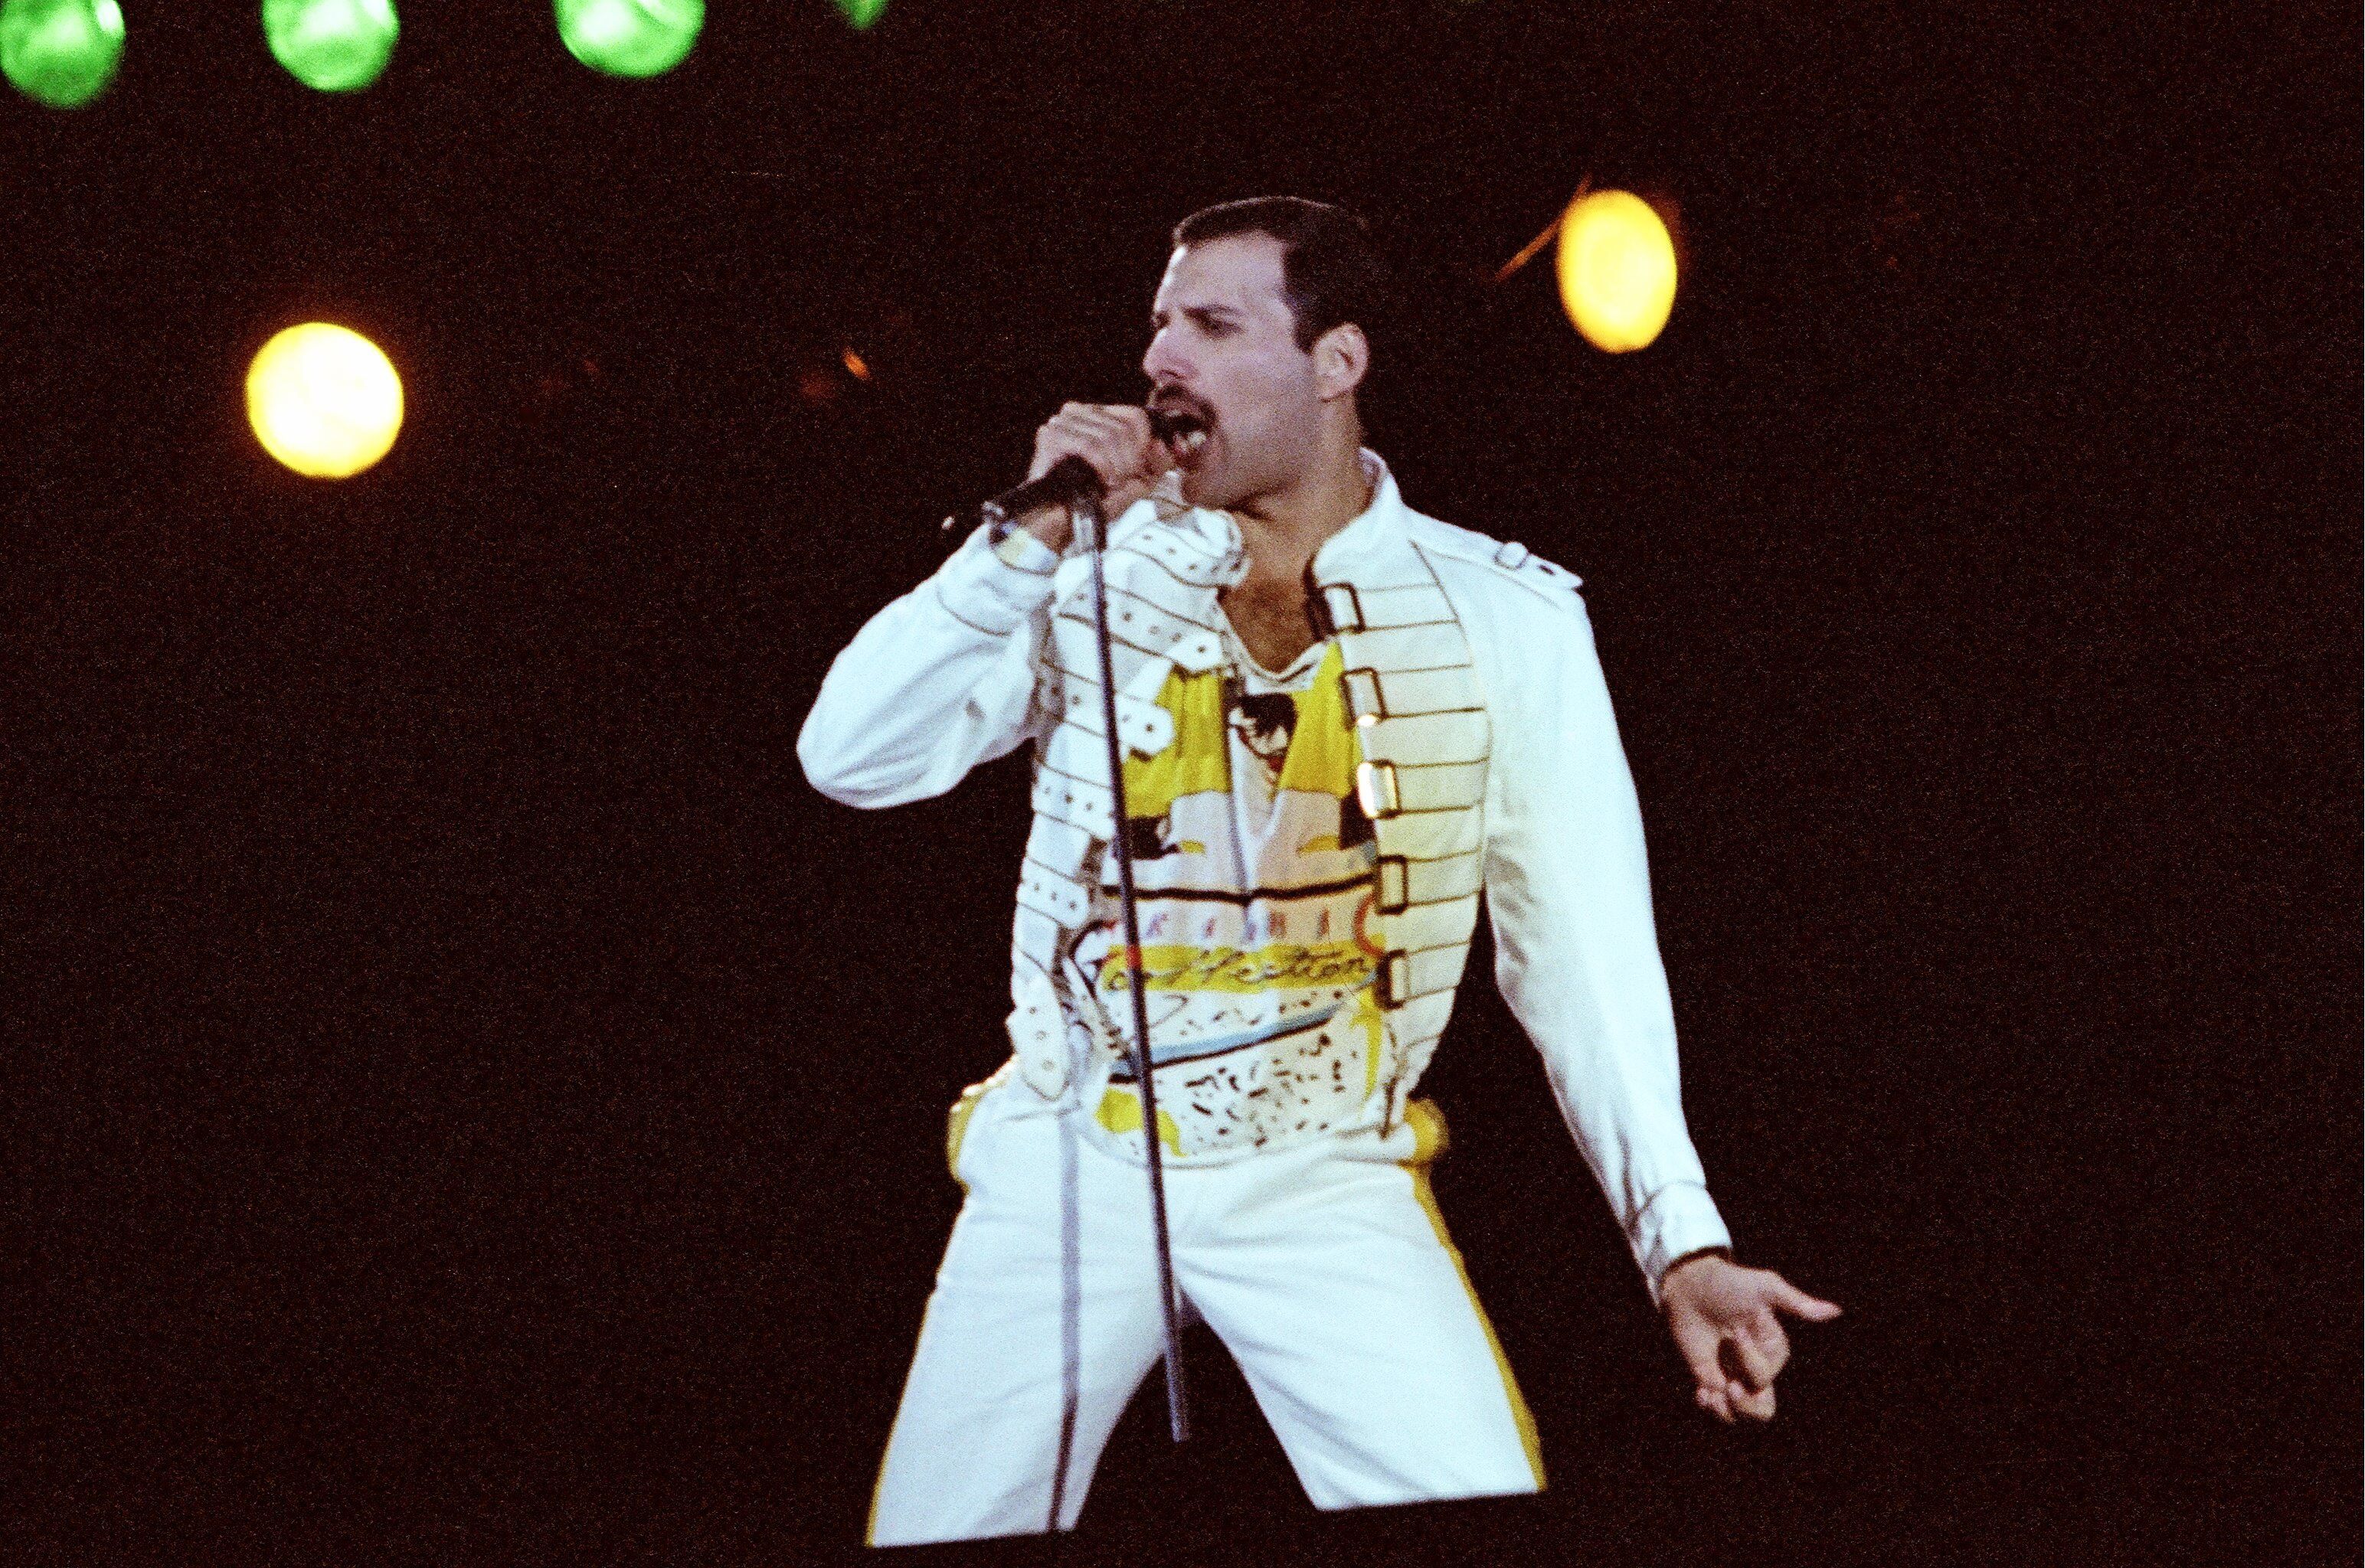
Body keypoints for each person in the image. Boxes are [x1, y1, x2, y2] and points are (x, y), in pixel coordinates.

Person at [799, 197, 1839, 1547]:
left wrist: (1678, 1240)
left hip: (1320, 1163)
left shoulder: (1502, 617)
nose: (1163, 356)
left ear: (1334, 361)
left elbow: (1581, 954)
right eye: (1160, 324)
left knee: (1471, 1497)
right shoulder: (1074, 575)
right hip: (1076, 1153)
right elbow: (850, 755)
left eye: (1213, 324)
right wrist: (1020, 545)